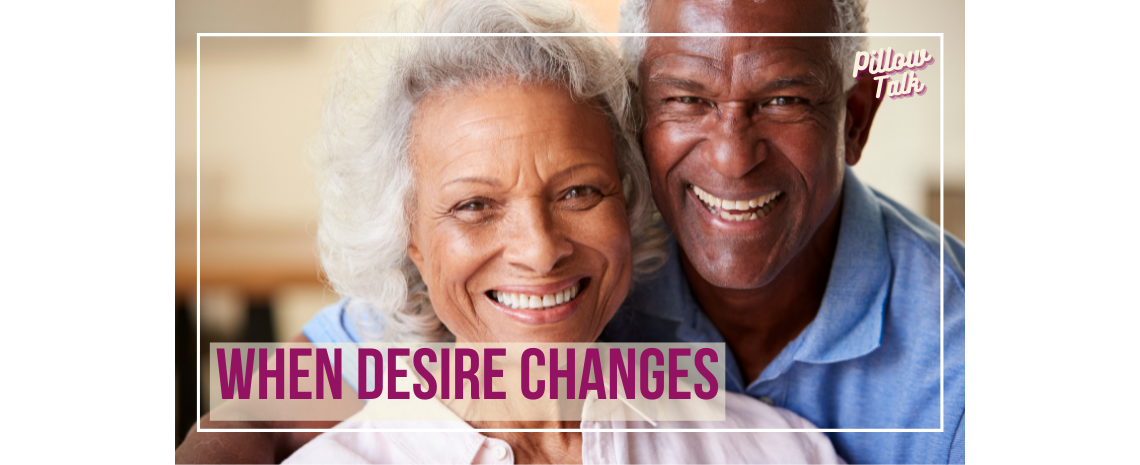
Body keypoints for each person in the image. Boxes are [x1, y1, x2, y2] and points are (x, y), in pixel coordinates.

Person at [177, 0, 845, 463]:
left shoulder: (780, 449)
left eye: (579, 191)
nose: (539, 247)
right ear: (408, 235)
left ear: (629, 201)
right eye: (475, 205)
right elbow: (268, 399)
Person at [603, 0, 965, 463]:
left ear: (855, 122)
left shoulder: (950, 364)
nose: (732, 160)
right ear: (633, 117)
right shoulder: (589, 293)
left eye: (783, 101)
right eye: (687, 100)